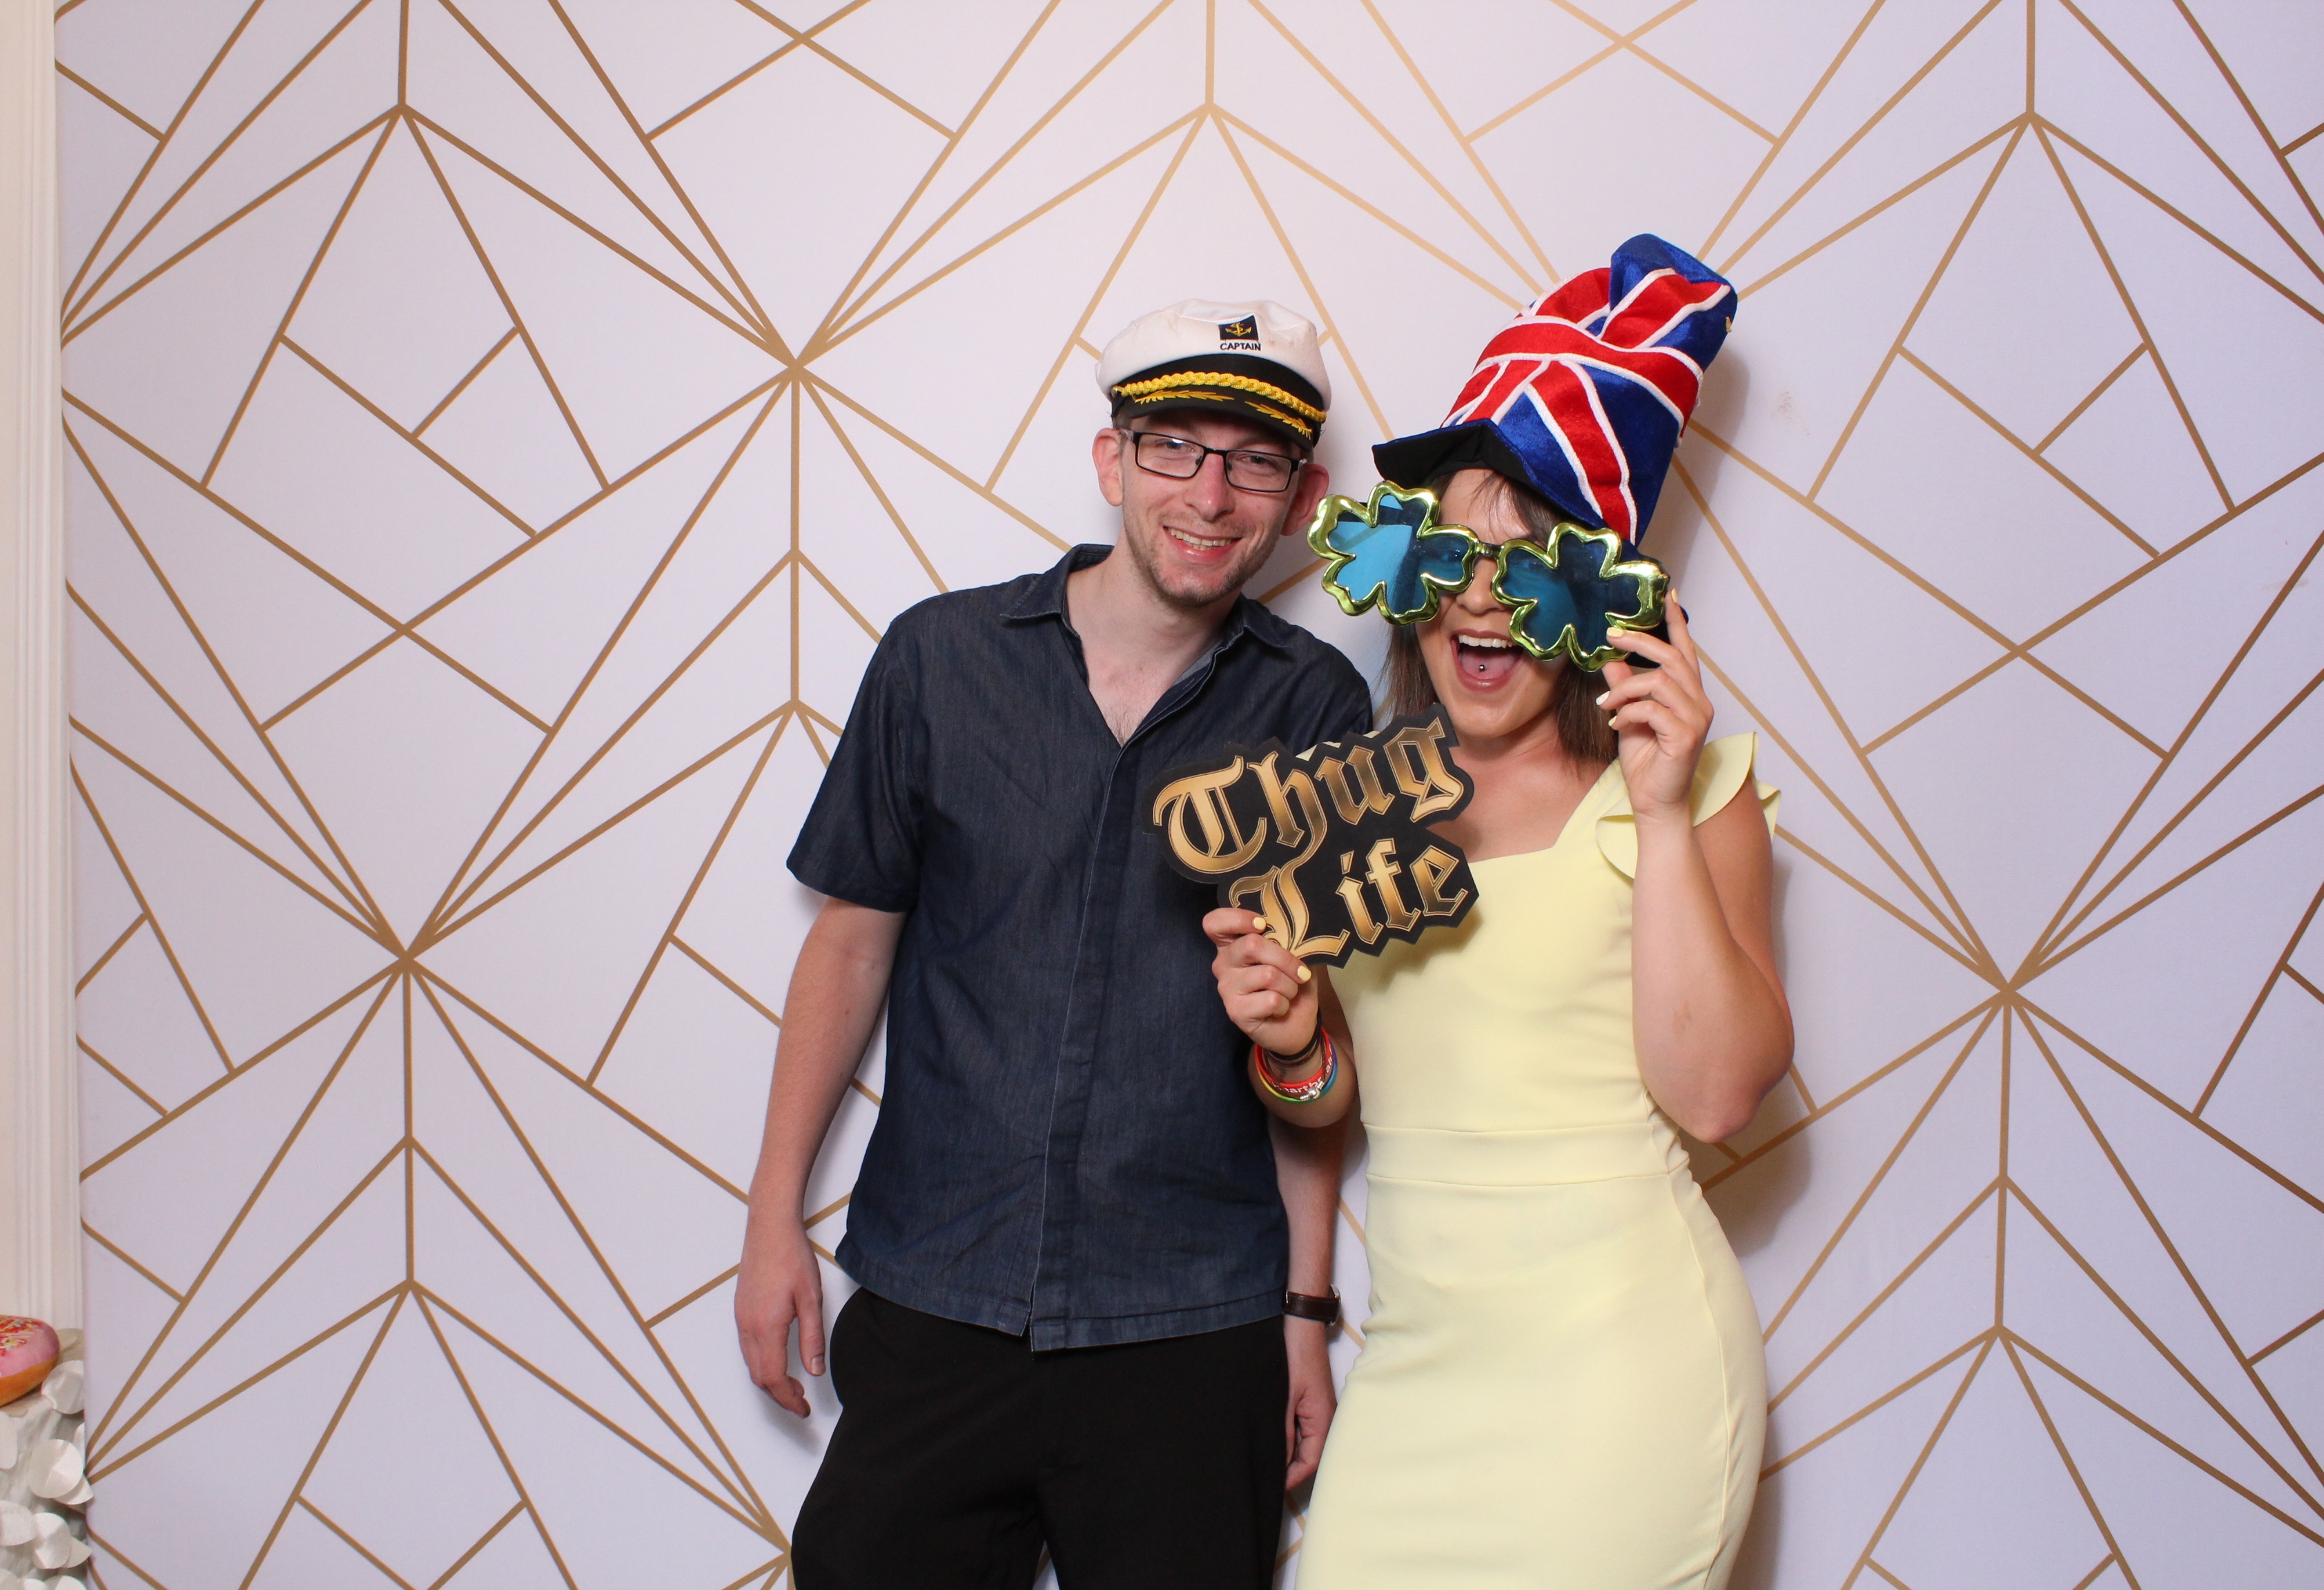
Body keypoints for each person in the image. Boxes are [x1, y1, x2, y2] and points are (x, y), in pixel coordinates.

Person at [736, 298, 1373, 1589]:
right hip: (937, 1292)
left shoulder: (1317, 705)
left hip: (1191, 1326)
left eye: (1255, 462)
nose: (1210, 494)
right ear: (1111, 461)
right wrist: (771, 1218)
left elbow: (1308, 1024)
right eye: (1174, 446)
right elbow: (849, 947)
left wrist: (1306, 1313)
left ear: (1303, 499)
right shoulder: (938, 659)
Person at [1208, 237, 1794, 1588]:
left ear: (1596, 597)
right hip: (1415, 1376)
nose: (1480, 597)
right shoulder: (1353, 807)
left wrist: (1660, 811)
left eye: (1526, 565)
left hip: (1618, 1384)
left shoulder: (1689, 793)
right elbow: (1333, 1102)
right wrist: (1289, 1040)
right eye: (1451, 557)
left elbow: (1719, 1097)